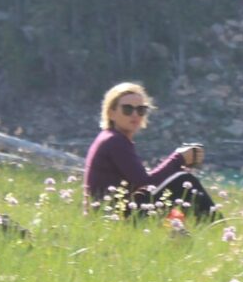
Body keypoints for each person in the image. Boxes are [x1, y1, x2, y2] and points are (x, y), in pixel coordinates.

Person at [83, 82, 215, 218]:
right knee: (183, 181)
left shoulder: (110, 137)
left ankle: (186, 232)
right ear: (111, 113)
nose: (135, 114)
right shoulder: (115, 141)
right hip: (113, 217)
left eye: (141, 110)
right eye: (127, 109)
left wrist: (177, 166)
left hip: (110, 214)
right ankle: (217, 229)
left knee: (178, 179)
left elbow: (141, 183)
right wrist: (179, 158)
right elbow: (145, 183)